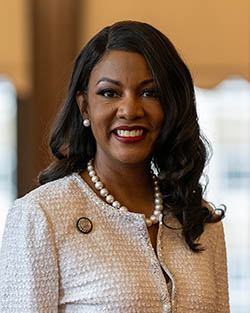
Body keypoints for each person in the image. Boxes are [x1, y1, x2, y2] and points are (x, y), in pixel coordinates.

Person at [0, 21, 230, 313]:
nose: (130, 110)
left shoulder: (200, 220)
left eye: (149, 92)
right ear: (85, 107)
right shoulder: (42, 216)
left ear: (171, 105)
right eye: (110, 93)